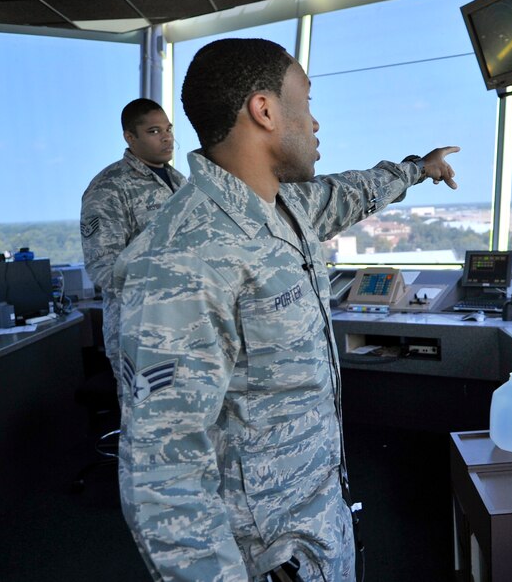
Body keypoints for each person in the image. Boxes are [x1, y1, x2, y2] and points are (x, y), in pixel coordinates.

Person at [115, 37, 459, 581]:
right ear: (265, 110)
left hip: (317, 522)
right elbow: (163, 477)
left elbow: (355, 189)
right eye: (307, 101)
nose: (315, 122)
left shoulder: (284, 208)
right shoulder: (182, 257)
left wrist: (419, 168)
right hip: (263, 553)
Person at [80, 98, 186, 385]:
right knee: (145, 424)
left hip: (186, 325)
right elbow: (103, 267)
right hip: (141, 332)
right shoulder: (108, 187)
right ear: (130, 137)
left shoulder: (180, 182)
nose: (166, 137)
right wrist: (167, 283)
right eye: (154, 131)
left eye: (168, 129)